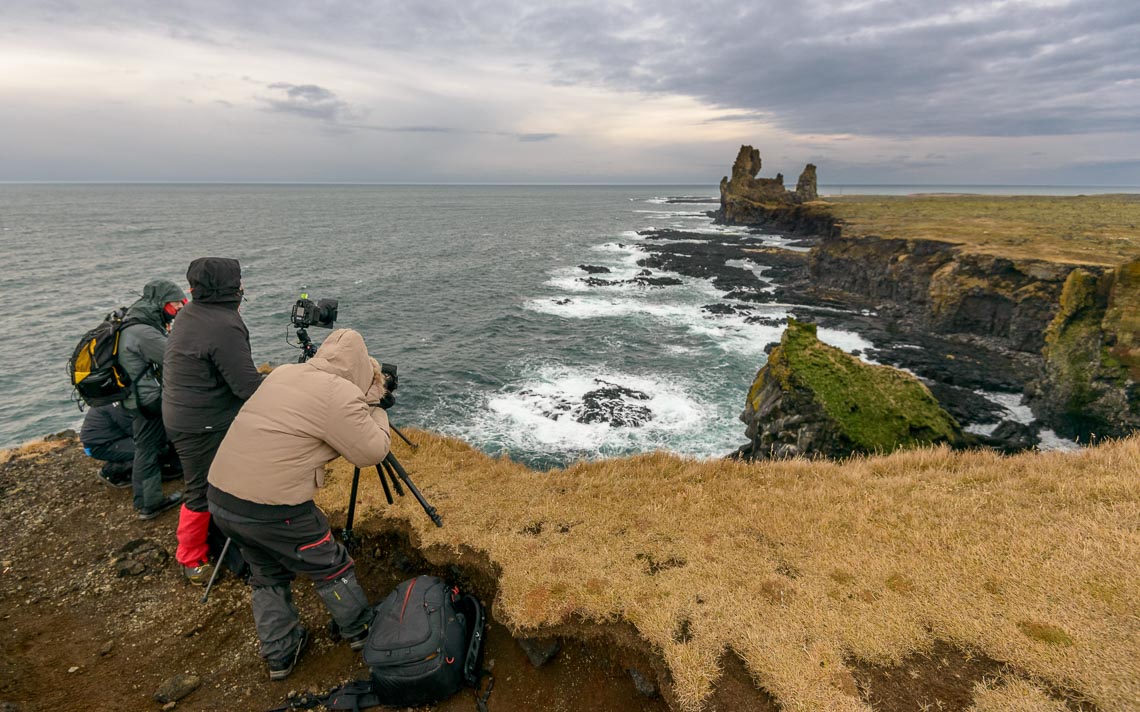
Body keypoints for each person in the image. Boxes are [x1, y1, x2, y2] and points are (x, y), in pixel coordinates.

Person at [208, 329, 391, 681]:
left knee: (266, 572)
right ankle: (359, 629)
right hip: (273, 510)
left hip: (221, 498)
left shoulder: (285, 373)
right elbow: (372, 451)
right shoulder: (338, 393)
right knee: (328, 563)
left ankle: (280, 654)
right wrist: (376, 405)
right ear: (358, 367)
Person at [163, 257, 263, 585]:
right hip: (202, 423)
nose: (241, 287)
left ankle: (215, 540)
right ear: (226, 288)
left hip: (184, 413)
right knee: (202, 490)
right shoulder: (223, 323)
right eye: (237, 282)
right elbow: (246, 386)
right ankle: (191, 558)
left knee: (206, 484)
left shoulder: (191, 313)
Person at [119, 278, 186, 520]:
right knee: (149, 447)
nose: (179, 307)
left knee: (149, 445)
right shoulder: (144, 331)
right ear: (161, 302)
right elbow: (176, 357)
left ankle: (150, 496)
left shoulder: (137, 321)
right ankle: (149, 503)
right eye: (176, 303)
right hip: (148, 401)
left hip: (137, 398)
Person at [80, 402, 134, 488]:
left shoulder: (109, 398)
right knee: (146, 449)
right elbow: (130, 427)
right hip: (100, 446)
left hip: (109, 439)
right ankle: (111, 472)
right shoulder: (113, 403)